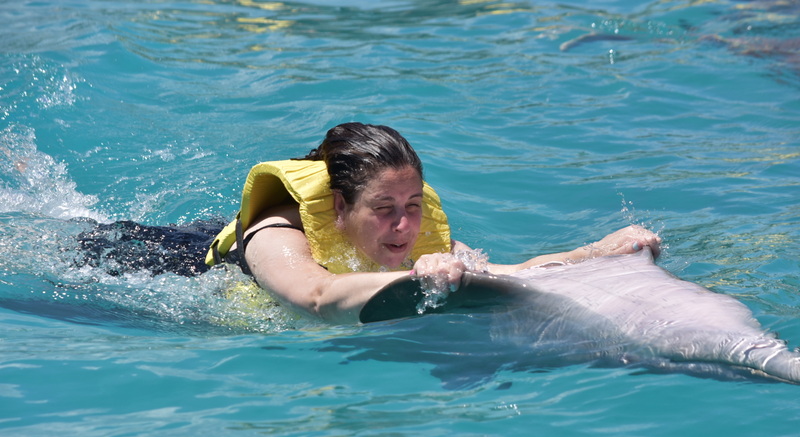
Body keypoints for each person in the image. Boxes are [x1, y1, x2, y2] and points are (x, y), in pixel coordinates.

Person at [205, 122, 661, 324]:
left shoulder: (417, 233)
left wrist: (594, 253)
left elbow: (506, 274)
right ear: (341, 206)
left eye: (413, 204)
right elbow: (317, 298)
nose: (404, 225)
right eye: (384, 208)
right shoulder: (275, 235)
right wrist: (413, 279)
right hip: (179, 258)